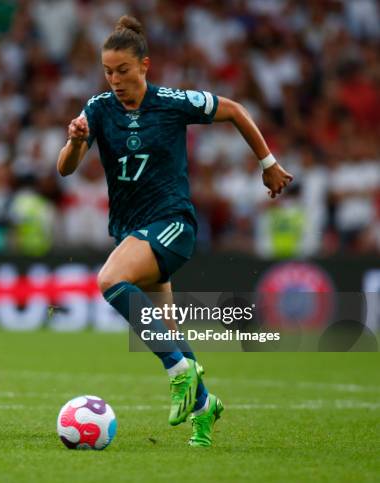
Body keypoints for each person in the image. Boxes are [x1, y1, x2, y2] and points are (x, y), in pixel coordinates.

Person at [57, 16, 293, 447]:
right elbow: (64, 169)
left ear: (145, 65)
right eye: (108, 72)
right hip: (131, 231)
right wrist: (74, 142)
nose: (115, 80)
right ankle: (205, 407)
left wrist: (268, 163)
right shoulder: (97, 109)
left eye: (123, 71)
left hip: (172, 224)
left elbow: (236, 110)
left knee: (110, 280)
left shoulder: (171, 102)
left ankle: (180, 374)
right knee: (167, 330)